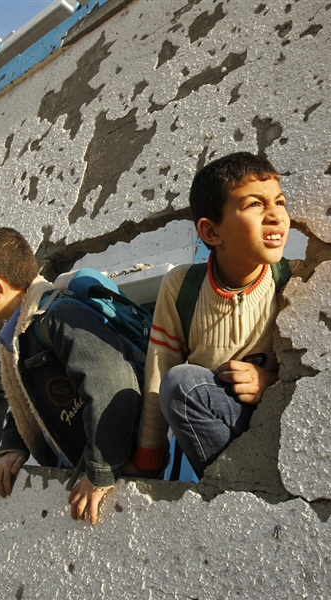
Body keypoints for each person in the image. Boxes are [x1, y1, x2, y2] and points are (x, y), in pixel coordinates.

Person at [130, 152, 301, 478]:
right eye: (255, 205)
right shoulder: (182, 287)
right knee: (181, 383)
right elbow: (158, 375)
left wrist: (269, 382)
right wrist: (147, 460)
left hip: (279, 428)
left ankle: (244, 487)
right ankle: (232, 487)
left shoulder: (293, 280)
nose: (276, 216)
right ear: (210, 232)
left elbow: (315, 376)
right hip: (218, 424)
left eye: (280, 202)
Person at [0, 227, 141, 524]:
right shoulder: (15, 336)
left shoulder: (57, 315)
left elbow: (110, 381)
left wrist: (99, 472)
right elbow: (26, 395)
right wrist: (13, 447)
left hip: (119, 469)